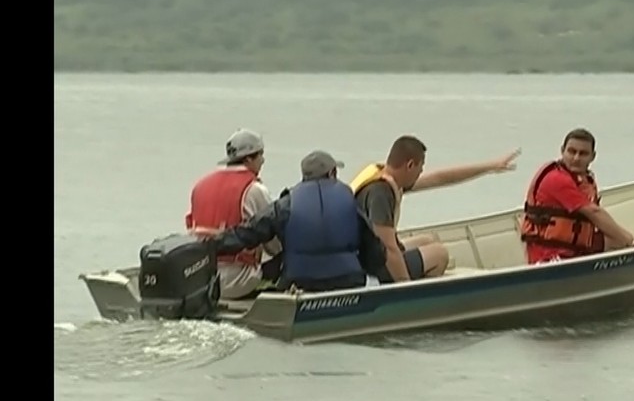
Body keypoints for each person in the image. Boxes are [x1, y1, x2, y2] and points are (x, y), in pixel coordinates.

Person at [191, 150, 387, 294]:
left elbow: (247, 234)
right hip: (348, 281)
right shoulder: (348, 200)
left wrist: (208, 247)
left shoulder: (286, 204)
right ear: (332, 174)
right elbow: (374, 249)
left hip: (300, 282)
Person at [348, 135, 521, 284]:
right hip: (372, 266)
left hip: (368, 254)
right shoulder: (380, 193)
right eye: (420, 168)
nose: (420, 174)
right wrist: (405, 286)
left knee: (428, 240)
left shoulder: (387, 177)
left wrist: (490, 167)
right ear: (410, 165)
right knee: (439, 254)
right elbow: (388, 248)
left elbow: (440, 178)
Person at [520, 128, 634, 265]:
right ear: (562, 151)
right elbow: (594, 212)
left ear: (592, 156)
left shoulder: (584, 180)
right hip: (549, 257)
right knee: (624, 242)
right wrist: (632, 241)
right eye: (571, 151)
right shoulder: (556, 179)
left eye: (583, 154)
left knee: (616, 241)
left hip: (574, 250)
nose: (576, 158)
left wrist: (622, 240)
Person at [184, 128, 282, 299]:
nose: (263, 160)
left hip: (201, 278)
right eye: (261, 155)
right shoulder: (254, 190)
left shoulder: (200, 186)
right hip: (238, 281)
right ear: (249, 158)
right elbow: (274, 245)